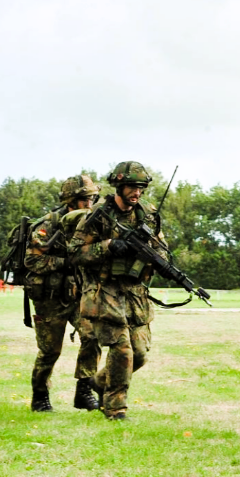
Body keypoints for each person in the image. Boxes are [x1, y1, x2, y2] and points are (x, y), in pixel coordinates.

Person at [69, 162, 167, 420]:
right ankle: (115, 408)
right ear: (120, 187)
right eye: (133, 187)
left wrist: (155, 257)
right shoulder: (98, 214)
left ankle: (100, 383)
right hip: (104, 290)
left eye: (141, 187)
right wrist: (108, 246)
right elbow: (75, 253)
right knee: (121, 349)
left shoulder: (147, 213)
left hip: (135, 292)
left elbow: (161, 246)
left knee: (140, 354)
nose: (137, 192)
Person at [23, 174, 103, 412]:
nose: (90, 204)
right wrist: (68, 263)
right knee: (50, 351)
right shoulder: (48, 224)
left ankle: (84, 390)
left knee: (92, 337)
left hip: (80, 296)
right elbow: (32, 261)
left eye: (93, 198)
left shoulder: (91, 224)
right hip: (50, 298)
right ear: (71, 200)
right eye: (85, 199)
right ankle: (40, 396)